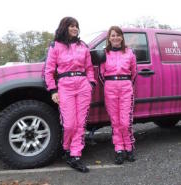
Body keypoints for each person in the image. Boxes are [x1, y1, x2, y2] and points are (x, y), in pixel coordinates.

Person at [44, 17, 96, 173]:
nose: (75, 29)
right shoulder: (55, 46)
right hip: (65, 87)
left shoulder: (83, 46)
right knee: (69, 124)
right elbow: (49, 71)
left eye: (76, 26)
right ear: (64, 27)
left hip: (83, 86)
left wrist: (91, 83)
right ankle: (66, 149)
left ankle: (75, 155)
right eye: (71, 26)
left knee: (80, 124)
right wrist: (53, 90)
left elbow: (89, 68)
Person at [100, 26, 137, 165]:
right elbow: (101, 74)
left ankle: (129, 147)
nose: (115, 38)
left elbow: (134, 72)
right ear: (109, 38)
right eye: (112, 35)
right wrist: (111, 84)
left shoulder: (129, 52)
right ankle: (119, 149)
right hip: (110, 88)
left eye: (118, 35)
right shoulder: (105, 53)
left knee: (125, 121)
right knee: (115, 122)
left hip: (126, 87)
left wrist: (125, 83)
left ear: (122, 37)